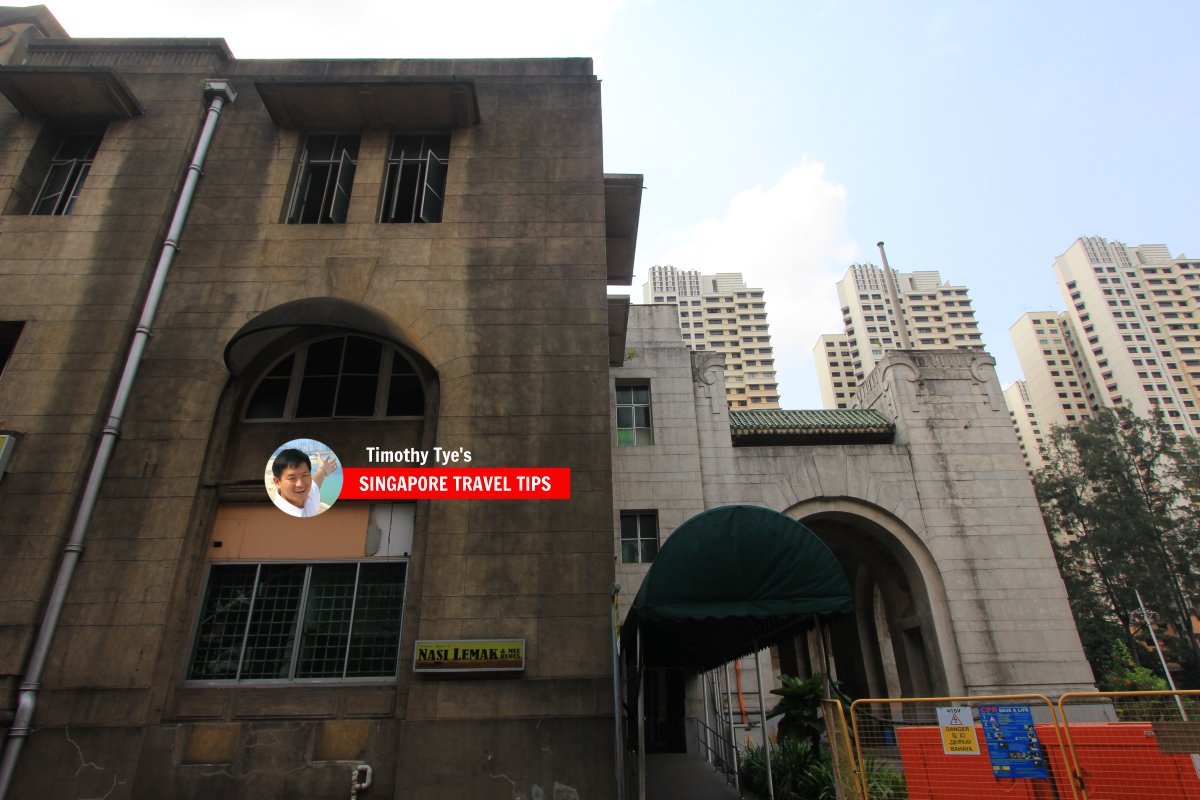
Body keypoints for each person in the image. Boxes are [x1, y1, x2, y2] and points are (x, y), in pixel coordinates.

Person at [270, 448, 339, 518]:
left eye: (304, 475)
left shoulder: (309, 495)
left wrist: (323, 470)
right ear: (277, 482)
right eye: (292, 478)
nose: (300, 484)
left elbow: (315, 483)